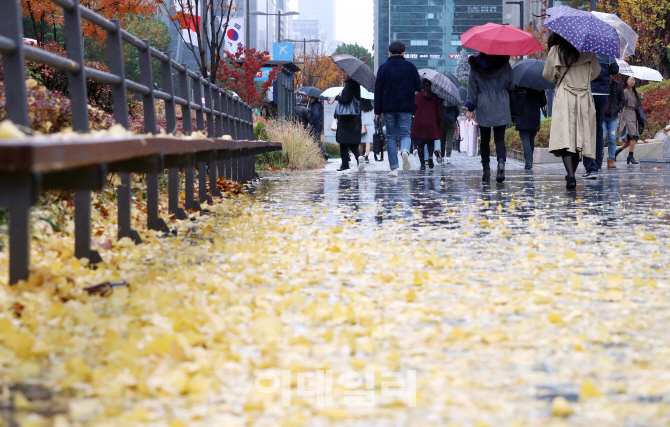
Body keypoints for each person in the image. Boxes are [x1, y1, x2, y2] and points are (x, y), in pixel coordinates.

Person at [542, 32, 600, 189]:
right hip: (584, 97)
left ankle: (571, 175)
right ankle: (572, 174)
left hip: (565, 96)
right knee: (579, 138)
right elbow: (595, 73)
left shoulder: (556, 50)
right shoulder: (589, 52)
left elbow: (547, 74)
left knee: (565, 138)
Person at [464, 52, 515, 183]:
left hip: (484, 102)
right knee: (499, 138)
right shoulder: (504, 63)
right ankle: (501, 163)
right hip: (501, 101)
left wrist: (470, 108)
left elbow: (472, 88)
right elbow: (511, 84)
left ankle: (486, 170)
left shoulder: (476, 65)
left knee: (485, 138)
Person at [374, 41, 422, 176]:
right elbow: (419, 87)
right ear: (404, 53)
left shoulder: (383, 68)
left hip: (388, 107)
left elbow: (377, 90)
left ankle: (394, 169)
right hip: (406, 106)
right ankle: (405, 151)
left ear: (389, 53)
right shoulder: (410, 67)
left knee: (390, 137)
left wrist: (377, 111)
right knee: (405, 134)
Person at [582, 55, 619, 179]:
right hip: (602, 92)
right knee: (598, 127)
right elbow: (615, 70)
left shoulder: (586, 51)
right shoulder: (607, 53)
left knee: (588, 128)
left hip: (588, 90)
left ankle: (589, 165)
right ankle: (597, 164)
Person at [411, 79, 444, 171]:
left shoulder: (416, 97)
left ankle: (422, 164)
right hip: (431, 123)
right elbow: (439, 112)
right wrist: (439, 123)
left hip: (419, 123)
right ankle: (430, 156)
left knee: (420, 145)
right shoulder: (435, 97)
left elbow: (413, 110)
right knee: (430, 142)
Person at [335, 75, 364, 172]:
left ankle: (345, 164)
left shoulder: (349, 85)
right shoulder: (356, 85)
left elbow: (346, 99)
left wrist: (338, 97)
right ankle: (359, 158)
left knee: (343, 141)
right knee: (352, 142)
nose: (342, 75)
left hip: (346, 117)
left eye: (344, 73)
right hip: (355, 117)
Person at [513, 87, 547, 170]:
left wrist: (513, 117)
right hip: (534, 115)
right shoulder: (538, 86)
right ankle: (529, 162)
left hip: (522, 115)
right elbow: (543, 103)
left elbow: (514, 102)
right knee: (531, 139)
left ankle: (528, 162)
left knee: (525, 139)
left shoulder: (518, 87)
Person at [614, 76, 642, 165]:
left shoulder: (634, 92)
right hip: (627, 115)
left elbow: (637, 104)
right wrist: (618, 119)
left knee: (632, 139)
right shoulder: (625, 91)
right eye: (630, 79)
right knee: (633, 136)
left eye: (633, 80)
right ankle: (630, 156)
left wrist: (640, 97)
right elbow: (621, 104)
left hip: (634, 115)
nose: (632, 81)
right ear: (626, 81)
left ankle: (617, 151)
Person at [604, 74, 625, 168]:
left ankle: (611, 159)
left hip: (613, 116)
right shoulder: (601, 84)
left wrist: (617, 108)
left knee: (612, 139)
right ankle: (599, 156)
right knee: (601, 137)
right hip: (602, 116)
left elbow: (622, 100)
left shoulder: (617, 85)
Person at [359, 99, 375, 163]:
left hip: (362, 126)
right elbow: (374, 117)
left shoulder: (360, 109)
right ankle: (367, 157)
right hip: (370, 126)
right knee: (368, 142)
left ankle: (361, 156)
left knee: (361, 143)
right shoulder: (372, 109)